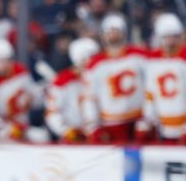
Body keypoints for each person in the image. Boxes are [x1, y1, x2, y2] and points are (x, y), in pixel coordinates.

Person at [82, 14, 147, 143]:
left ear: (123, 33)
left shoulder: (139, 56)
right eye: (109, 31)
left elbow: (151, 87)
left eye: (116, 31)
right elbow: (89, 97)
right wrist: (93, 126)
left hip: (138, 119)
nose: (112, 35)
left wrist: (148, 120)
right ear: (103, 35)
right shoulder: (95, 64)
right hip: (111, 123)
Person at [139, 13, 186, 142]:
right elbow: (150, 95)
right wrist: (148, 120)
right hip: (162, 127)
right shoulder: (153, 63)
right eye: (166, 37)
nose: (171, 41)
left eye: (174, 36)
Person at [45, 36, 101, 142]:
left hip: (99, 134)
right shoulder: (62, 81)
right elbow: (52, 113)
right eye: (91, 59)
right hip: (74, 136)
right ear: (79, 60)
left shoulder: (98, 76)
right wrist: (65, 130)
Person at [0, 38, 38, 142]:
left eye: (6, 59)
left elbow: (36, 98)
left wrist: (32, 98)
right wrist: (8, 129)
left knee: (40, 136)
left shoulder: (20, 72)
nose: (3, 64)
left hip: (23, 127)